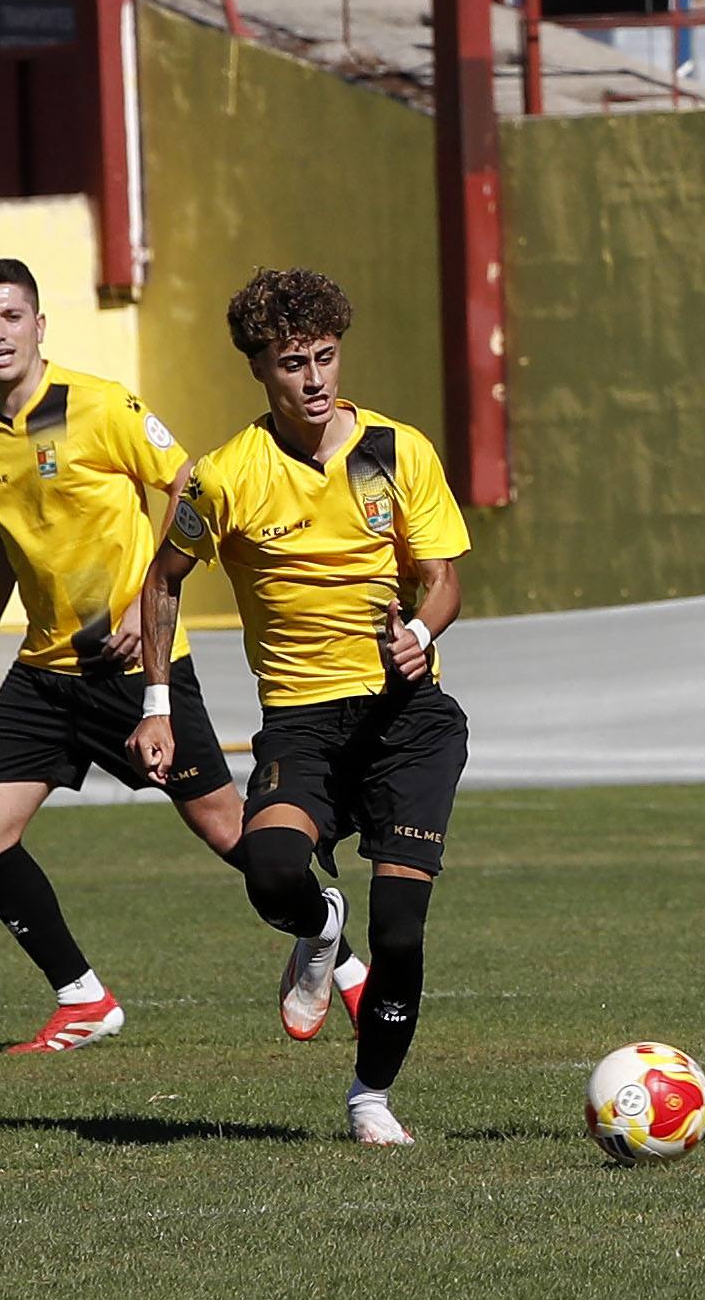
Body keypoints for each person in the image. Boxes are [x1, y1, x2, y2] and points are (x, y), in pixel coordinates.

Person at [126, 267, 470, 1146]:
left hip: (406, 721)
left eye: (324, 357)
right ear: (259, 370)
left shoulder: (397, 450)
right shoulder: (223, 478)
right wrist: (158, 702)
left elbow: (442, 582)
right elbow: (161, 582)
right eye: (292, 363)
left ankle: (370, 1099)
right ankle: (320, 927)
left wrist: (422, 635)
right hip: (303, 721)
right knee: (272, 869)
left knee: (401, 927)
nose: (314, 380)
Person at [0, 258, 251, 1053]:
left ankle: (338, 957)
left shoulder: (98, 404)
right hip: (45, 672)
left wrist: (152, 604)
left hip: (134, 667)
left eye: (12, 315)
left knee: (228, 834)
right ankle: (83, 998)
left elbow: (190, 487)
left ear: (40, 325)